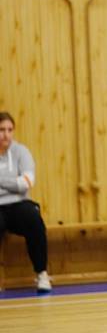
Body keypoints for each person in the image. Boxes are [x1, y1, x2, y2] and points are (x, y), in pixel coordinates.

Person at [0, 112, 51, 293]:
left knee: (34, 220)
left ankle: (41, 274)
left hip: (18, 204)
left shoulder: (21, 152)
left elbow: (27, 182)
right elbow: (18, 182)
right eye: (1, 130)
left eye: (9, 130)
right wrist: (14, 183)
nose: (6, 134)